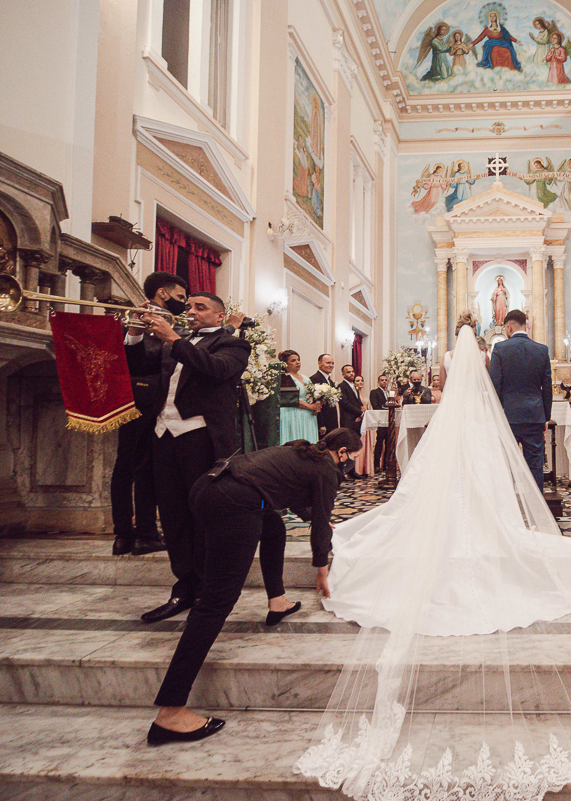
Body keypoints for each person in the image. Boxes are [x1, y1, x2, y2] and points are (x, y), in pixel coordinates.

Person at [296, 317, 571, 799]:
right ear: (481, 342)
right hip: (500, 419)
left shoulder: (458, 361)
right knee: (498, 480)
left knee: (433, 489)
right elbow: (506, 387)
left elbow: (451, 392)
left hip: (459, 421)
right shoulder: (503, 355)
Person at [147, 429, 362, 745]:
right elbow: (319, 523)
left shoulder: (301, 450)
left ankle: (278, 602)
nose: (350, 466)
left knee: (273, 527)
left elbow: (298, 499)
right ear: (341, 453)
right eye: (352, 459)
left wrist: (318, 518)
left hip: (208, 485)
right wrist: (322, 567)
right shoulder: (326, 469)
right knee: (215, 603)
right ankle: (171, 711)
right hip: (235, 502)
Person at [131, 292, 251, 624]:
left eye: (200, 307)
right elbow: (140, 366)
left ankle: (209, 589)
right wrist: (137, 334)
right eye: (189, 307)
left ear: (218, 315)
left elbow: (216, 370)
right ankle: (184, 586)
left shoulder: (233, 345)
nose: (192, 312)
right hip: (163, 436)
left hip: (200, 438)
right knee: (172, 516)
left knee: (204, 516)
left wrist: (172, 337)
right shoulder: (176, 341)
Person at [111, 271, 188, 556]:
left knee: (135, 469)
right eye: (180, 297)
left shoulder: (168, 320)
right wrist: (135, 333)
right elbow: (144, 359)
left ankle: (133, 535)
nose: (184, 302)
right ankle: (134, 533)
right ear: (163, 294)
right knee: (136, 469)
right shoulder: (151, 318)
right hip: (145, 401)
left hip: (148, 401)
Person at [489, 309, 553, 491]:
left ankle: (507, 508)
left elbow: (495, 385)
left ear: (508, 327)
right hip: (534, 415)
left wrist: (497, 414)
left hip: (507, 417)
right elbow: (546, 388)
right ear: (526, 325)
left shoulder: (500, 349)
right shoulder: (542, 350)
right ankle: (536, 508)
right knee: (535, 464)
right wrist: (545, 417)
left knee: (505, 463)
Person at [277, 350, 321, 445]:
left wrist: (316, 405)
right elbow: (289, 398)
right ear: (285, 363)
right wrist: (310, 407)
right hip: (292, 414)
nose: (297, 362)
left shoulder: (305, 378)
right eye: (293, 360)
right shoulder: (285, 377)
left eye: (298, 359)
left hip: (307, 415)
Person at [309, 354, 339, 437]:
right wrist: (321, 424)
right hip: (323, 422)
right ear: (319, 363)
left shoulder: (330, 381)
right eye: (328, 363)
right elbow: (315, 403)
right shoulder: (314, 379)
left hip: (332, 420)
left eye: (332, 363)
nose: (331, 365)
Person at [352, 374, 373, 477]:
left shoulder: (364, 395)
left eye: (361, 381)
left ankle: (365, 468)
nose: (360, 383)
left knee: (365, 444)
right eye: (357, 381)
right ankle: (357, 469)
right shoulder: (354, 395)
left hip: (365, 419)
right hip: (359, 420)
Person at [369, 374, 390, 471]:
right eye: (382, 380)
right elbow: (375, 406)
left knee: (389, 442)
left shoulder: (389, 393)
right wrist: (386, 407)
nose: (384, 382)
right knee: (380, 442)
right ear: (378, 382)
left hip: (389, 421)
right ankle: (376, 464)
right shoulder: (375, 392)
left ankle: (386, 463)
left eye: (386, 380)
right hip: (381, 420)